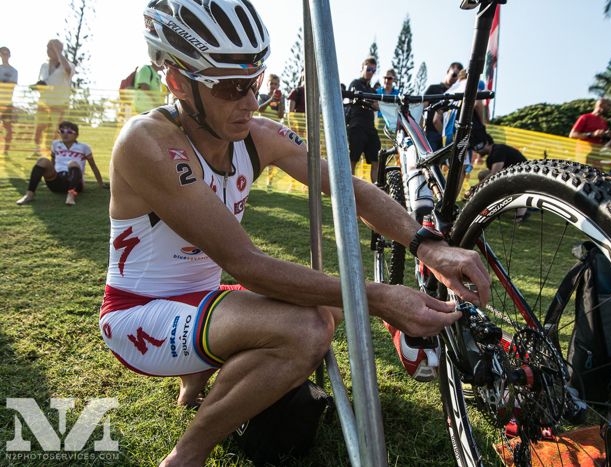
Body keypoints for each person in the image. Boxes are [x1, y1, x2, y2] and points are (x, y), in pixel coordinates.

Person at [101, 2, 490, 465]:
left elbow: (352, 191)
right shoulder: (146, 142)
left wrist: (430, 247)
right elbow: (247, 265)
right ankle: (188, 452)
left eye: (257, 80)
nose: (252, 100)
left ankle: (196, 379)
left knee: (328, 303)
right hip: (139, 312)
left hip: (202, 299)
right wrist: (377, 297)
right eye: (232, 86)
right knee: (308, 327)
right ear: (177, 83)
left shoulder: (256, 133)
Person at [16, 121, 107, 206]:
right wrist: (49, 173)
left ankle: (71, 195)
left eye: (69, 132)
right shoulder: (55, 144)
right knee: (42, 161)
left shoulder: (84, 147)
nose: (65, 134)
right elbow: (53, 162)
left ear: (76, 135)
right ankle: (29, 194)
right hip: (57, 181)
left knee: (73, 163)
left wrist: (100, 183)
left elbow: (93, 166)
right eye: (62, 131)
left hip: (76, 182)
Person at [33, 39, 75, 156]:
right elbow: (43, 80)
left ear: (60, 50)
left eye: (52, 48)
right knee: (40, 127)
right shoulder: (44, 65)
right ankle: (37, 150)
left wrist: (58, 52)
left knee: (57, 129)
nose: (49, 51)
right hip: (44, 102)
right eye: (48, 48)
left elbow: (68, 71)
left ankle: (54, 152)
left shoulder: (68, 64)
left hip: (60, 103)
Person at [346, 57, 381, 182]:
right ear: (363, 68)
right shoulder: (355, 83)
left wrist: (367, 102)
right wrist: (368, 102)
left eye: (373, 70)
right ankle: (350, 190)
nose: (371, 72)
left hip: (370, 128)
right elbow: (353, 100)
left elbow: (377, 106)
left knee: (376, 160)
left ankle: (377, 189)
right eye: (369, 69)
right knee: (353, 159)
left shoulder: (372, 90)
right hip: (356, 126)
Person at [423, 62, 463, 151]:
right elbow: (422, 109)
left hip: (449, 136)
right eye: (454, 74)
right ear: (448, 71)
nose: (455, 78)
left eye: (458, 77)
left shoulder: (458, 94)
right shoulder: (433, 88)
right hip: (431, 133)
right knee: (429, 163)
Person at [0, 46, 18, 156]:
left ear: (9, 55)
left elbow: (12, 85)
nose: (4, 55)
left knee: (8, 128)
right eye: (2, 53)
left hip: (7, 103)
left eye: (6, 53)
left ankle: (6, 151)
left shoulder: (14, 71)